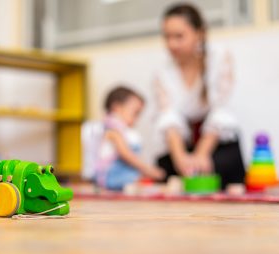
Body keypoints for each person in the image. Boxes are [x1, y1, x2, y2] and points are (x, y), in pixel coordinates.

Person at [153, 3, 245, 191]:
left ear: (199, 33)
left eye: (179, 36)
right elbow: (169, 118)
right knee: (165, 165)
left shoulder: (219, 57)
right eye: (167, 37)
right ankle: (188, 173)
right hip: (185, 143)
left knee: (228, 161)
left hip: (214, 141)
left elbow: (221, 109)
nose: (171, 44)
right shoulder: (162, 72)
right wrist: (181, 158)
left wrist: (202, 154)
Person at [95, 86, 164, 191]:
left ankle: (136, 183)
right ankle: (133, 184)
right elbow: (125, 154)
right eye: (135, 113)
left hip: (126, 171)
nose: (137, 119)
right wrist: (147, 169)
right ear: (117, 108)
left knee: (141, 178)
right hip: (111, 174)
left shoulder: (126, 131)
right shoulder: (113, 127)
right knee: (139, 179)